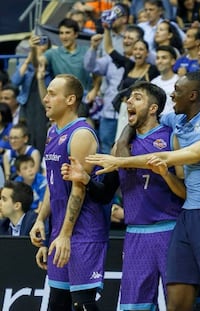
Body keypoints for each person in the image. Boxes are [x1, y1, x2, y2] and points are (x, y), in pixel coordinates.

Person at [86, 71, 200, 311]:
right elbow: (137, 126)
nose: (173, 94)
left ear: (192, 95)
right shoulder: (175, 121)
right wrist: (121, 144)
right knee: (173, 299)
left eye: (177, 91)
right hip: (176, 218)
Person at [62, 81, 185, 311]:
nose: (129, 101)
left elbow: (185, 192)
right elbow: (105, 195)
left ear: (153, 108)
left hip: (171, 230)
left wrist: (166, 175)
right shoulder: (120, 148)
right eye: (128, 98)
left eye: (137, 97)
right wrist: (85, 180)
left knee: (179, 305)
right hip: (136, 234)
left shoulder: (171, 138)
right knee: (133, 307)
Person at [29, 74, 108, 311]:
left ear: (71, 99)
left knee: (82, 304)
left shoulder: (81, 134)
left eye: (52, 93)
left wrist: (64, 235)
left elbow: (78, 189)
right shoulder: (52, 132)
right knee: (58, 302)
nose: (45, 98)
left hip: (83, 231)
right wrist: (41, 219)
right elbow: (53, 184)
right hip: (60, 229)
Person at [84, 25, 142, 153]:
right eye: (125, 37)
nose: (126, 41)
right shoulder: (113, 59)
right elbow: (90, 67)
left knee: (129, 149)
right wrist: (93, 48)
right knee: (105, 149)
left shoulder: (143, 62)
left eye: (130, 38)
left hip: (130, 114)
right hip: (109, 112)